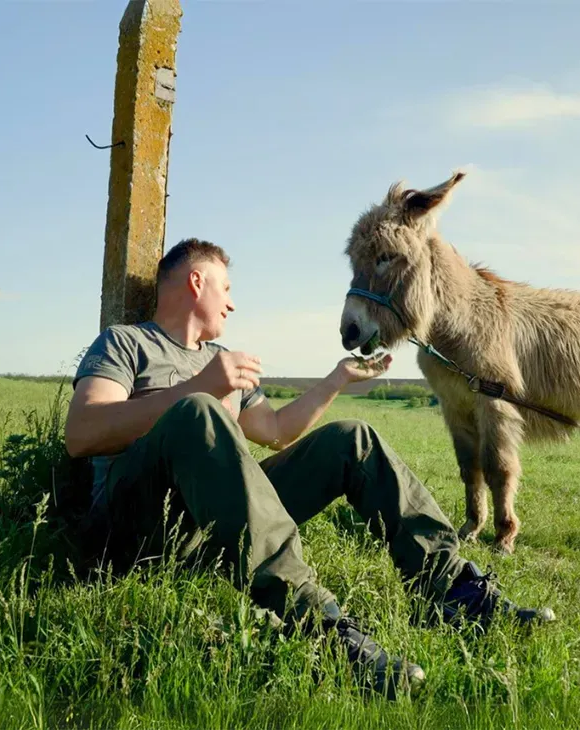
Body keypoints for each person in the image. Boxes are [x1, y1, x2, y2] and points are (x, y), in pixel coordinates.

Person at [64, 238, 554, 698]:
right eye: (226, 289)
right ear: (197, 282)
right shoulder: (126, 344)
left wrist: (337, 380)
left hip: (212, 529)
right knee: (197, 413)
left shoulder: (222, 361)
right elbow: (83, 434)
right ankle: (318, 625)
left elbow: (275, 430)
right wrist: (198, 390)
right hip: (132, 531)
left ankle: (450, 590)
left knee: (352, 439)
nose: (232, 304)